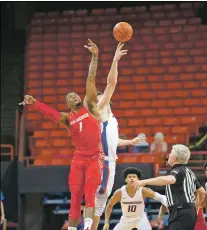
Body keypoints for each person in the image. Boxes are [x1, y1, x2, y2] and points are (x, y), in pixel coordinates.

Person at [20, 39, 103, 230]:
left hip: (94, 157)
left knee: (90, 193)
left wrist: (95, 56)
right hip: (78, 159)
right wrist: (35, 103)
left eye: (75, 94)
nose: (74, 96)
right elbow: (51, 114)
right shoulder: (67, 118)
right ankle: (73, 228)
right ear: (67, 104)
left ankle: (89, 225)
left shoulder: (89, 107)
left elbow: (90, 79)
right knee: (75, 195)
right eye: (69, 97)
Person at [91, 43, 144, 230]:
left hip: (110, 160)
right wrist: (114, 60)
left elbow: (113, 140)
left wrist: (130, 141)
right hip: (103, 161)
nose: (102, 97)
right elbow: (111, 83)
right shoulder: (100, 110)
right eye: (100, 96)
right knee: (99, 195)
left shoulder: (111, 117)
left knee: (100, 203)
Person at [133, 144, 206, 230]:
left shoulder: (178, 171)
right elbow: (202, 192)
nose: (169, 155)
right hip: (187, 212)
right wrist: (195, 207)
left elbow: (170, 180)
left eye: (171, 153)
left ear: (175, 158)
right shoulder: (190, 172)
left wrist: (144, 181)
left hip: (180, 212)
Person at [103, 167, 167, 230]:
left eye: (134, 177)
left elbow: (162, 198)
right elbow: (109, 205)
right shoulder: (120, 192)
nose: (132, 178)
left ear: (138, 179)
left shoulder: (143, 190)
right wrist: (106, 222)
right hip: (126, 219)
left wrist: (162, 213)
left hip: (141, 219)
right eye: (129, 177)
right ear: (126, 180)